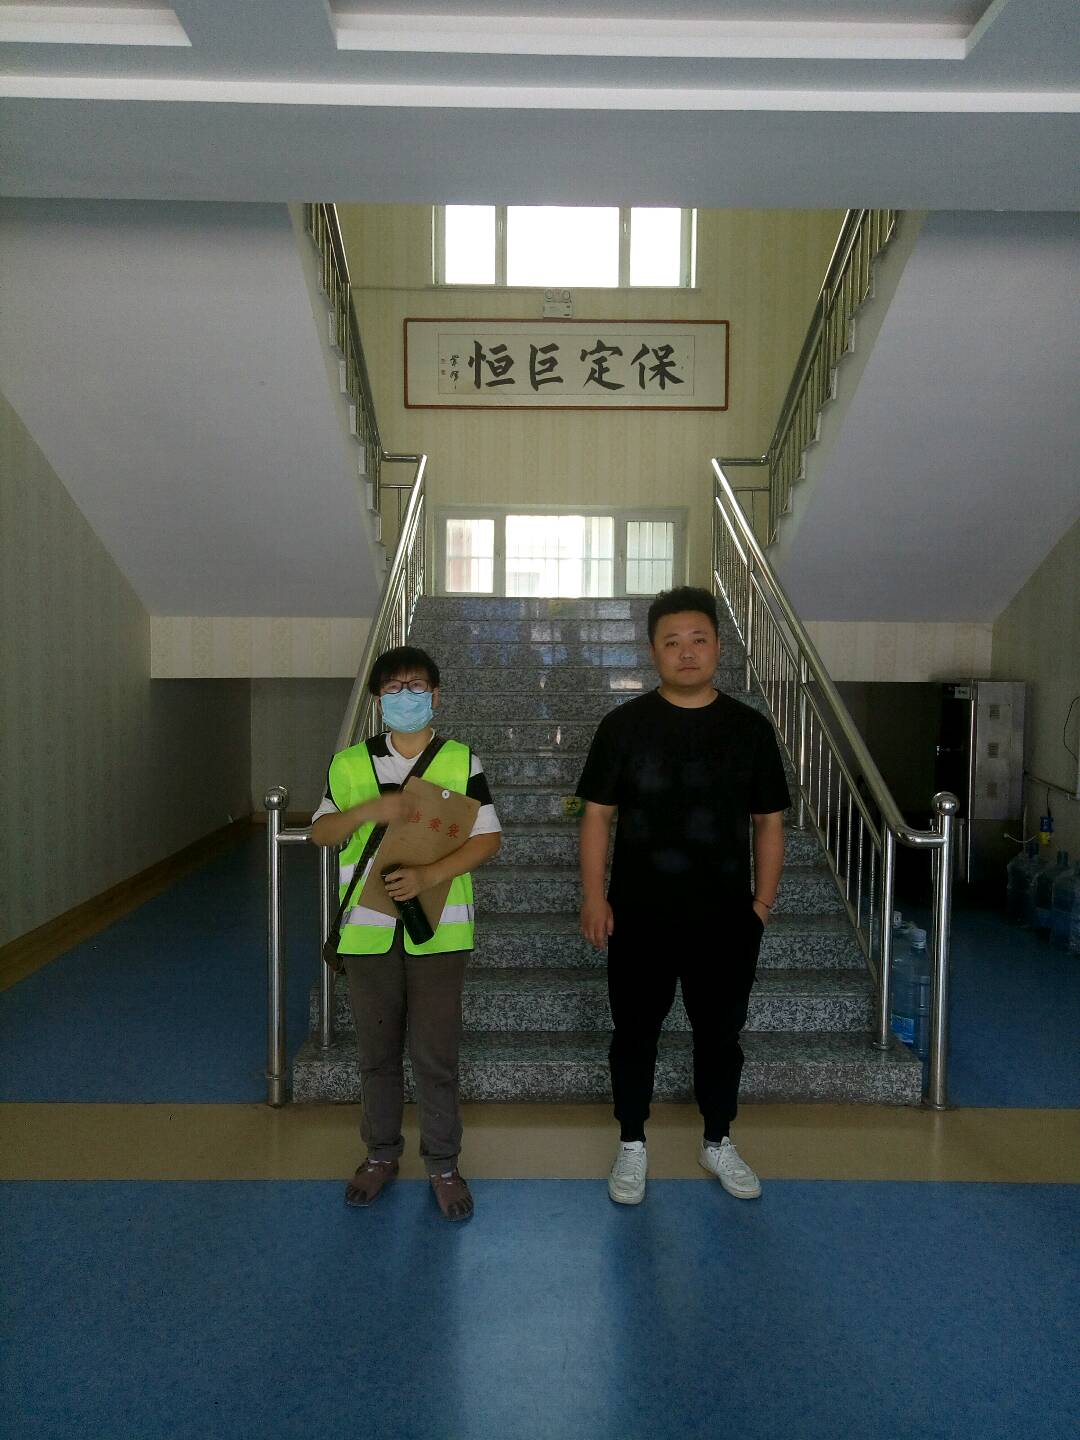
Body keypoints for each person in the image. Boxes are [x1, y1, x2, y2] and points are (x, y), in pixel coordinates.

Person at [576, 586, 789, 1206]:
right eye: (672, 642)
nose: (686, 652)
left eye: (699, 639)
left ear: (719, 646)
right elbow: (597, 815)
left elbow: (769, 822)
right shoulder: (623, 727)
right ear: (653, 651)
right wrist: (594, 897)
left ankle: (717, 1139)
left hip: (724, 917)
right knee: (634, 1032)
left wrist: (760, 906)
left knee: (720, 1035)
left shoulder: (750, 730)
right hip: (638, 914)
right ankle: (632, 1142)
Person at [310, 645, 502, 1221]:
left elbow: (488, 838)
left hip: (439, 930)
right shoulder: (349, 764)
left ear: (435, 695)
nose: (406, 697)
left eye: (416, 686)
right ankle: (380, 1155)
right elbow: (322, 833)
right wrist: (368, 811)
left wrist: (428, 876)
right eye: (393, 688)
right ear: (377, 700)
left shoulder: (460, 760)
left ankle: (443, 1163)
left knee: (435, 1055)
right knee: (376, 1054)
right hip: (367, 934)